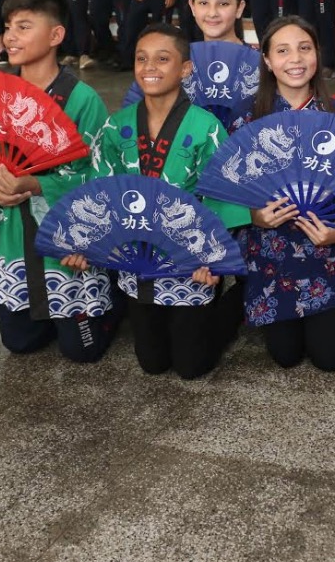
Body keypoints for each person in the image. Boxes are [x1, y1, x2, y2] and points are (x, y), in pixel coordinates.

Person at [80, 23, 250, 377]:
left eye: (162, 58)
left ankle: (234, 306)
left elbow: (222, 200)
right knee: (153, 364)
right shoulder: (117, 126)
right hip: (138, 263)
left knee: (192, 366)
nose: (149, 67)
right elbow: (99, 192)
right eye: (142, 58)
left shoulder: (206, 127)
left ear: (185, 69)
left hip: (193, 263)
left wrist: (213, 261)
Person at [0, 0, 120, 362]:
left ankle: (117, 297)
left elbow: (101, 177)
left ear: (56, 35)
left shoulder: (82, 100)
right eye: (7, 27)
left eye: (24, 26)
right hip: (12, 237)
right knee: (19, 343)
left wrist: (39, 183)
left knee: (81, 351)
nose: (10, 37)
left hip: (66, 243)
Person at [239, 16, 335, 372]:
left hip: (325, 249)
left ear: (317, 55)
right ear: (266, 60)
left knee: (329, 359)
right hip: (270, 250)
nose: (295, 59)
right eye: (283, 50)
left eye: (304, 48)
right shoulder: (246, 116)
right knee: (285, 357)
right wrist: (253, 215)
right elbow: (226, 186)